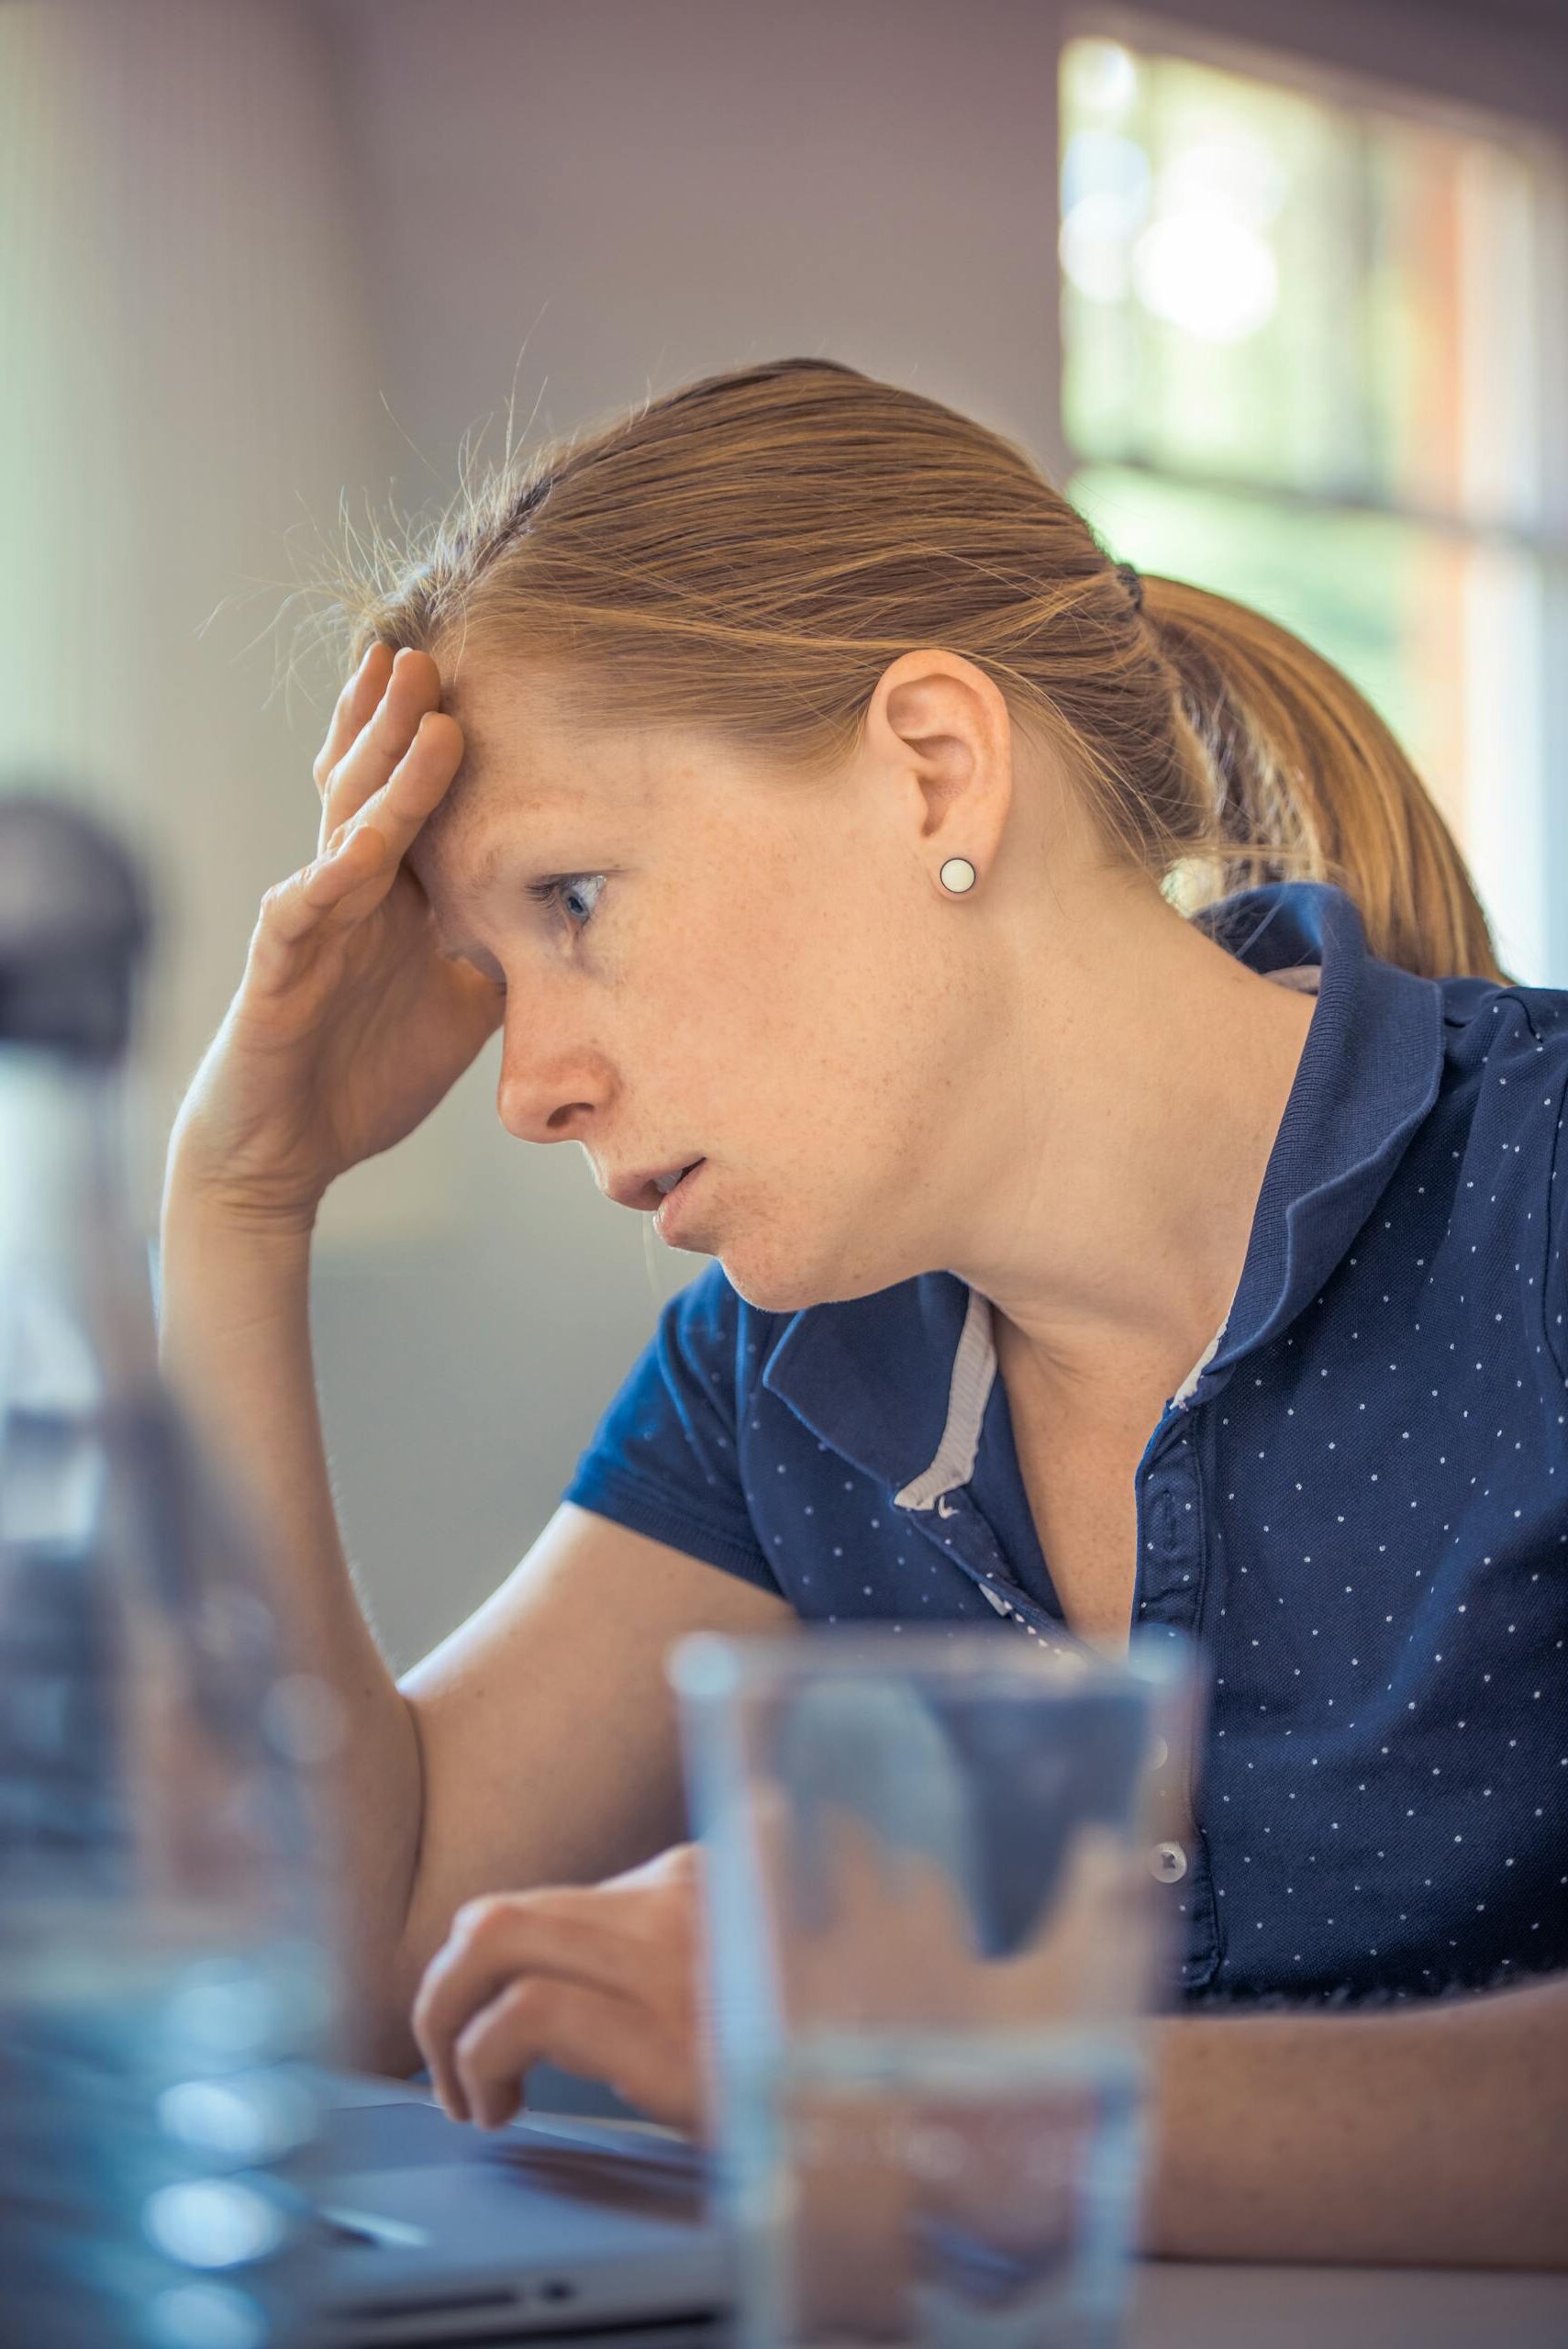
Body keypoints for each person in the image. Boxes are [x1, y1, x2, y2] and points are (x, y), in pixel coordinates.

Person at [160, 359, 1565, 2268]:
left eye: (574, 894)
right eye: (494, 969)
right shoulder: (784, 1370)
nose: (527, 1083)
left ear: (934, 764)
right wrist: (238, 1202)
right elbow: (354, 1956)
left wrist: (923, 2086)